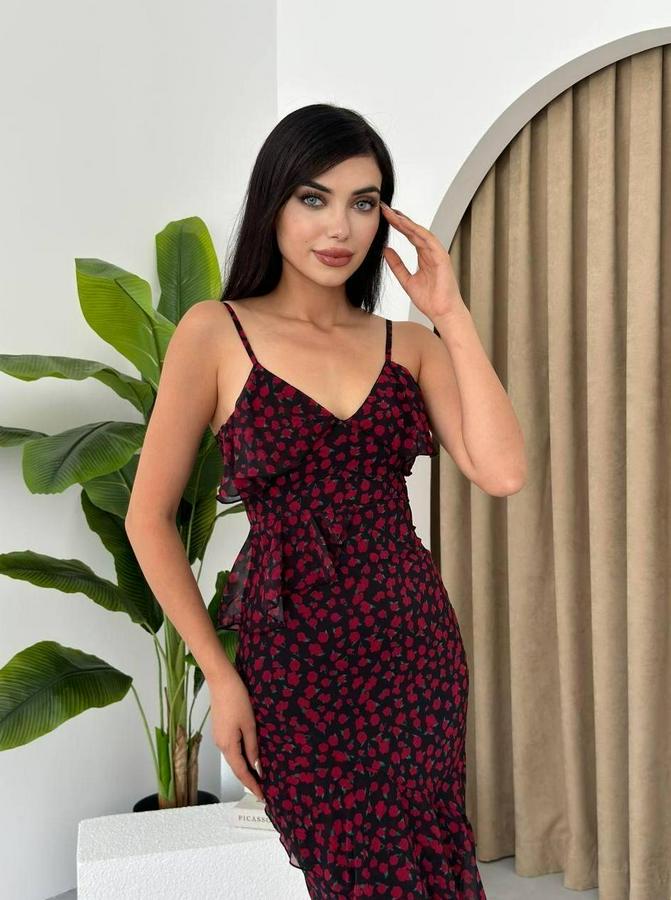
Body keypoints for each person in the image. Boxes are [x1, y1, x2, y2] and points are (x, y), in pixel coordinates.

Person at [126, 103, 500, 898]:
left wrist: (449, 313)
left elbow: (500, 471)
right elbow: (147, 519)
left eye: (363, 203)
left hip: (412, 648)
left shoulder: (410, 345)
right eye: (313, 198)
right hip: (292, 663)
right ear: (274, 203)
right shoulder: (214, 332)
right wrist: (221, 675)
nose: (339, 227)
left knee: (429, 862)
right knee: (350, 875)